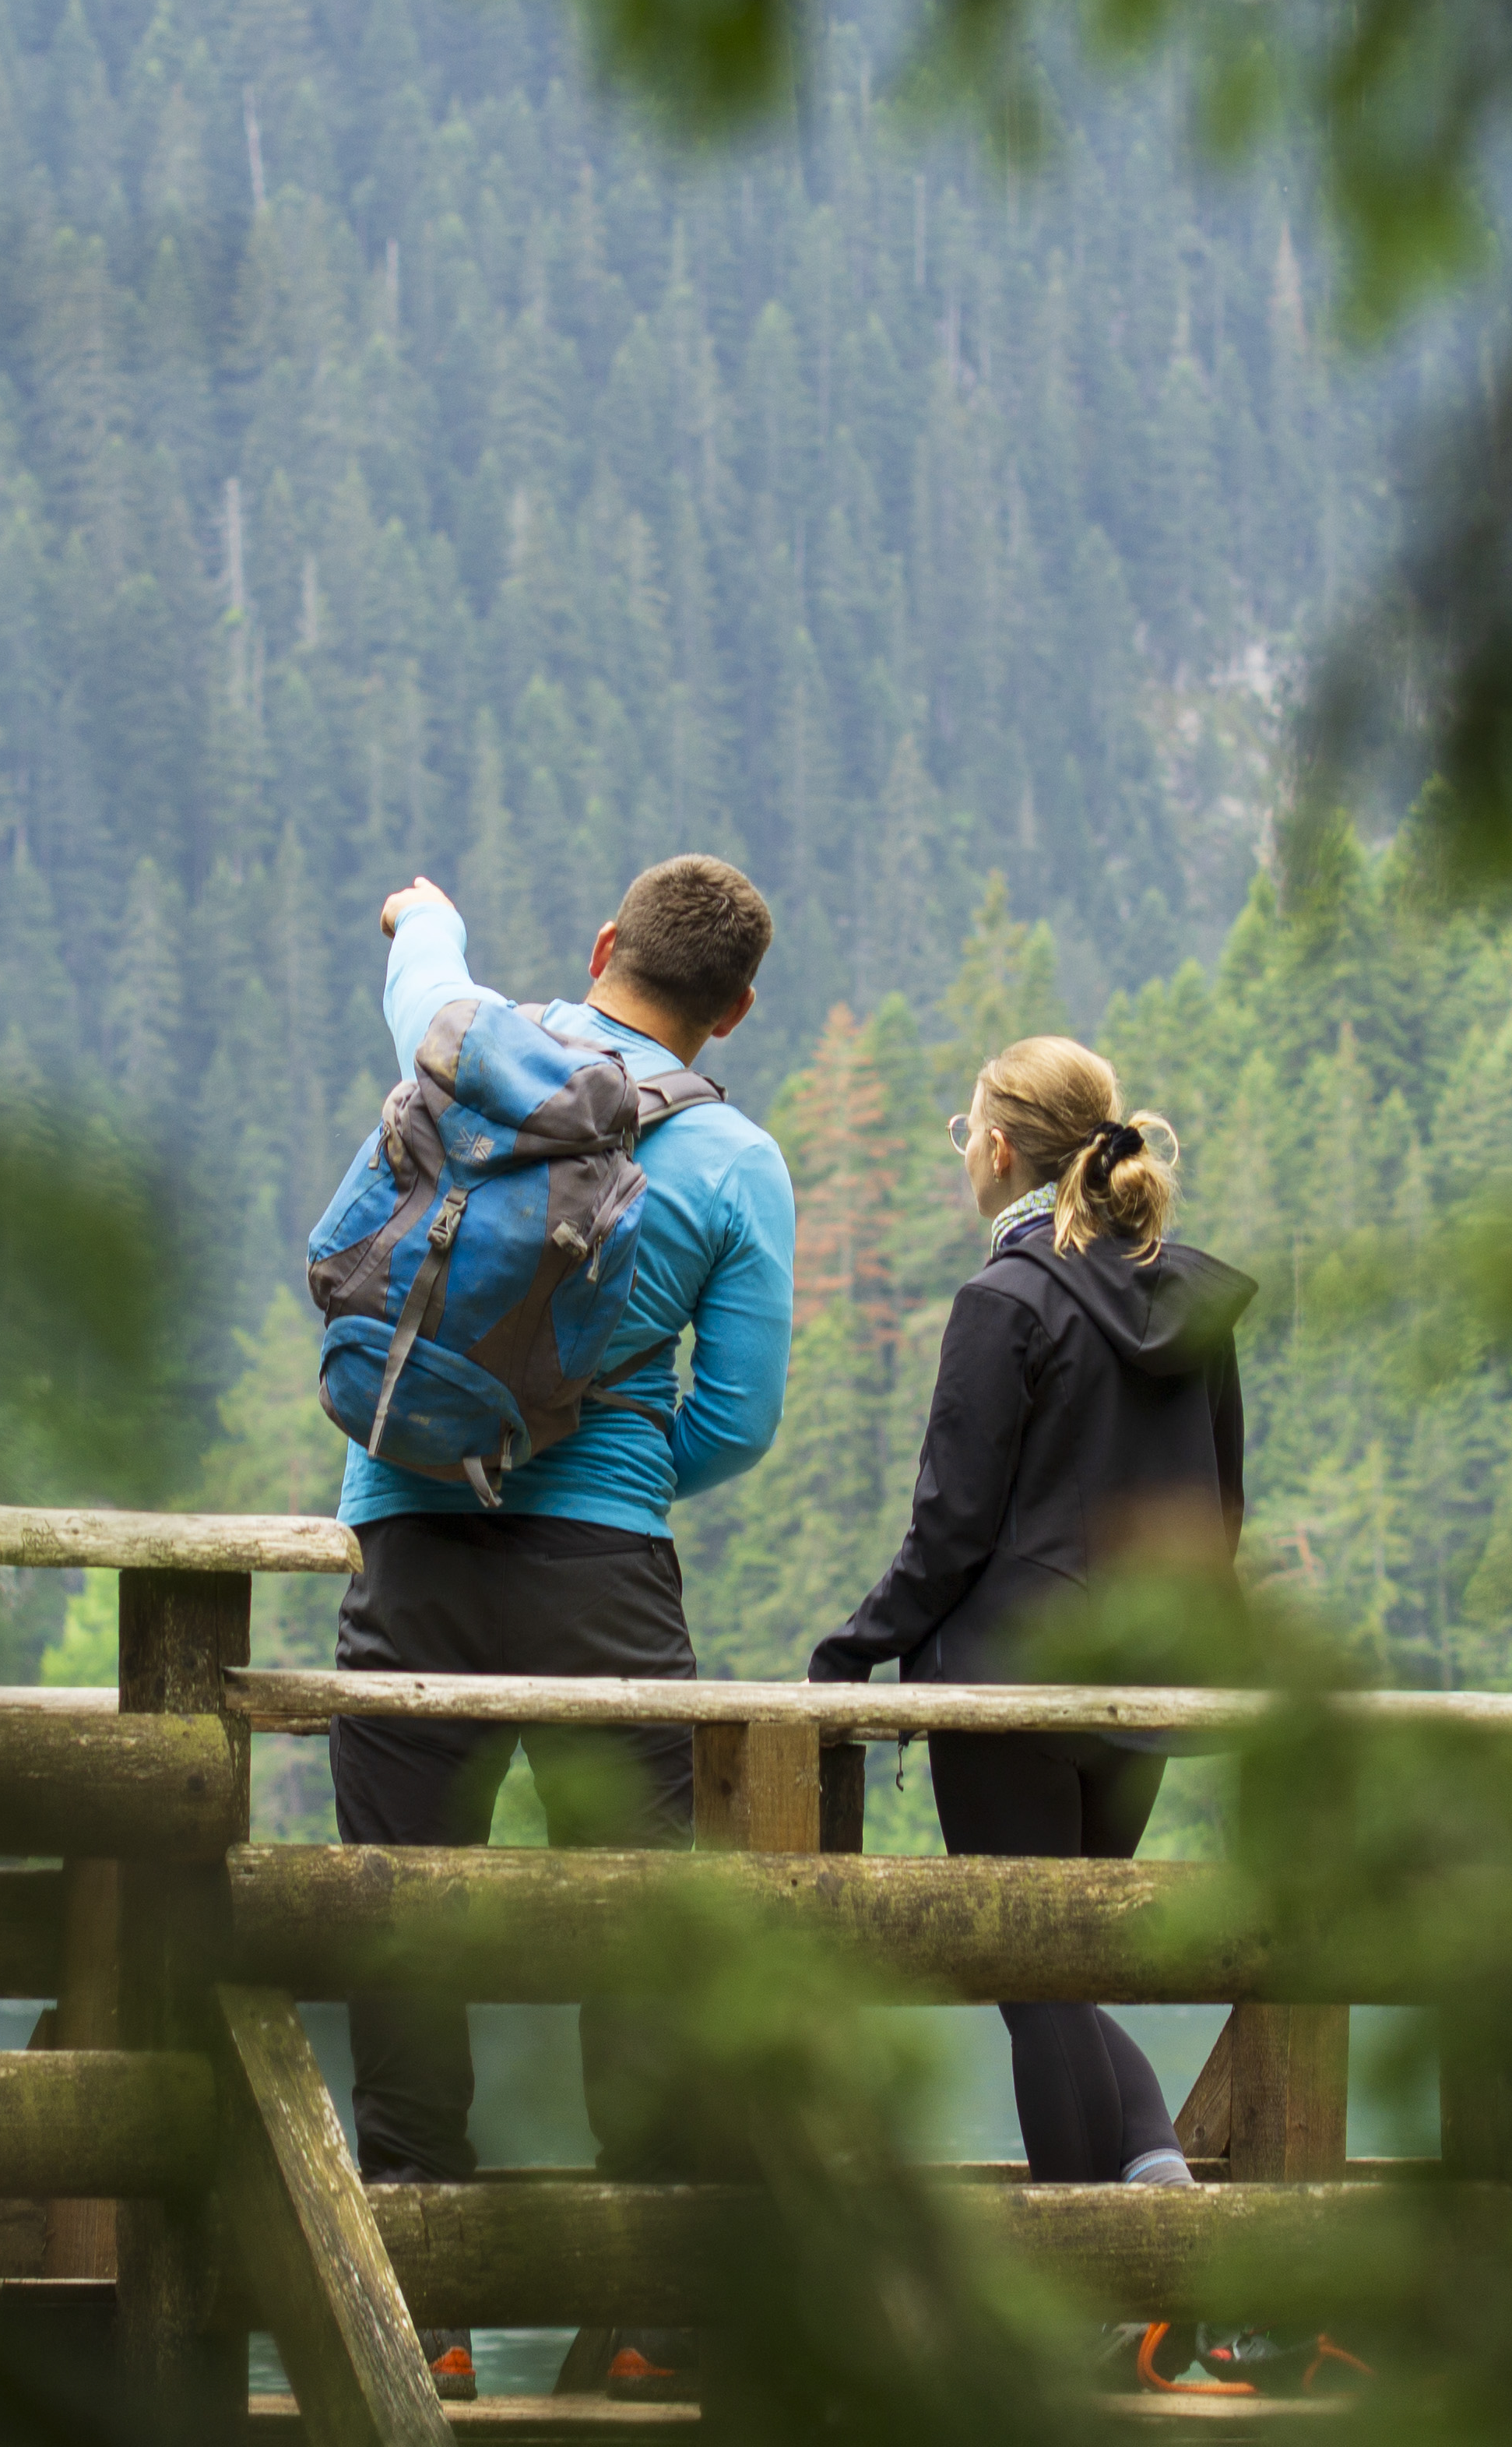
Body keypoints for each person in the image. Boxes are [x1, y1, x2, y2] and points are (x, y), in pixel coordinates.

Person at [331, 856, 793, 2403]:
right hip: (600, 1566)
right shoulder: (732, 1157)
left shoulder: (464, 1047)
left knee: (403, 1916)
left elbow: (419, 970)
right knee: (634, 1919)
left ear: (601, 949)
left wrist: (426, 908)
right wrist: (612, 1458)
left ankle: (427, 2312)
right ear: (731, 1009)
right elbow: (733, 1419)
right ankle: (656, 2313)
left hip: (407, 1537)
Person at [807, 1034, 1253, 2199]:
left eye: (966, 1136)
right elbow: (1223, 1512)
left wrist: (846, 1657)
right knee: (1064, 1973)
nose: (966, 1156)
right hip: (1144, 1693)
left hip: (1011, 1691)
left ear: (999, 1151)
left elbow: (951, 1529)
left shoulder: (1003, 1303)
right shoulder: (1188, 1303)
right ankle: (1153, 2172)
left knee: (1032, 1973)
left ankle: (1085, 2286)